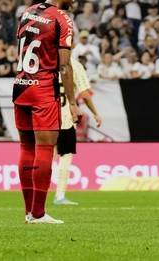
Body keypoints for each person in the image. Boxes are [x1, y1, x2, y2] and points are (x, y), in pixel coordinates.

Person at [13, 0, 79, 225]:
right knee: (44, 149)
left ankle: (29, 212)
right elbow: (64, 66)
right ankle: (38, 213)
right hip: (43, 90)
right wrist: (72, 102)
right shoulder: (62, 19)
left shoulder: (26, 13)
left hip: (21, 86)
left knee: (26, 148)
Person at [53, 58, 102, 205]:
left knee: (46, 157)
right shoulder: (74, 65)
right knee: (65, 156)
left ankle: (36, 194)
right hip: (66, 118)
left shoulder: (47, 61)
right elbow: (85, 94)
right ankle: (60, 195)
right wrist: (95, 113)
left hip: (46, 117)